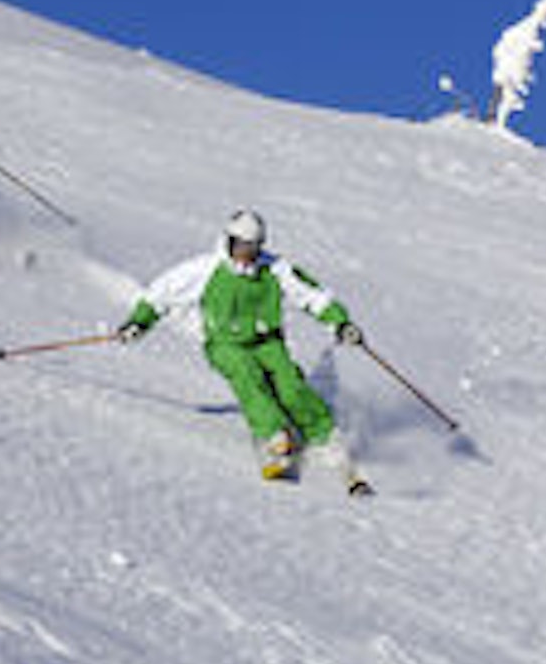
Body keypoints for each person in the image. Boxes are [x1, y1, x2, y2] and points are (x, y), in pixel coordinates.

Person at [118, 209, 373, 494]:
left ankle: (323, 434)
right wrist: (139, 322)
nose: (245, 253)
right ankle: (274, 436)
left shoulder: (274, 269)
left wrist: (340, 323)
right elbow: (163, 293)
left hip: (268, 342)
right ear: (228, 241)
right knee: (248, 377)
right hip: (225, 344)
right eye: (239, 245)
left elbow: (311, 294)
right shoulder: (206, 269)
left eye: (252, 247)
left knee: (290, 385)